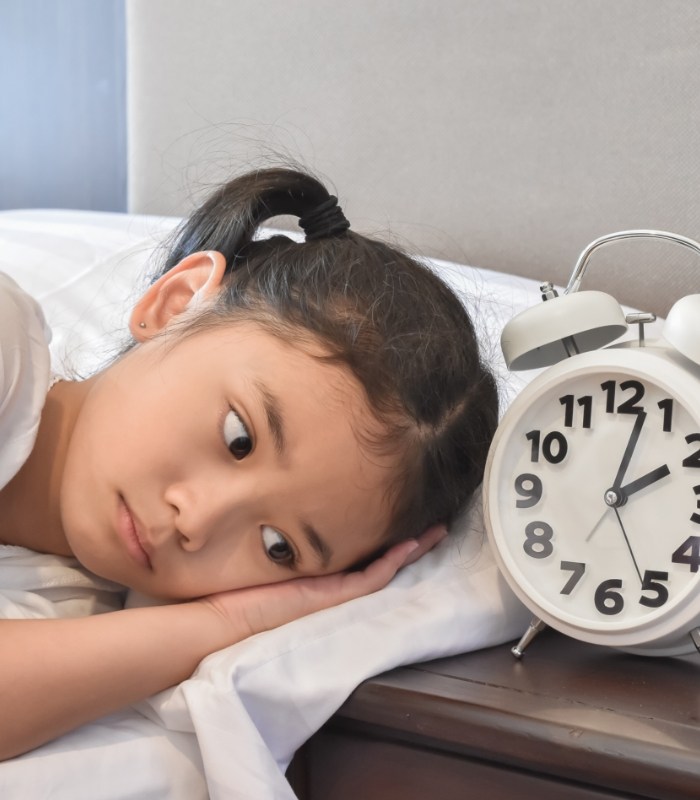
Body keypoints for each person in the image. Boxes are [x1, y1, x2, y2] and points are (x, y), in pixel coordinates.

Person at [0, 167, 498, 760]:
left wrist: (225, 622)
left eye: (277, 545)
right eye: (239, 437)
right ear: (175, 304)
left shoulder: (73, 613)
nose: (198, 521)